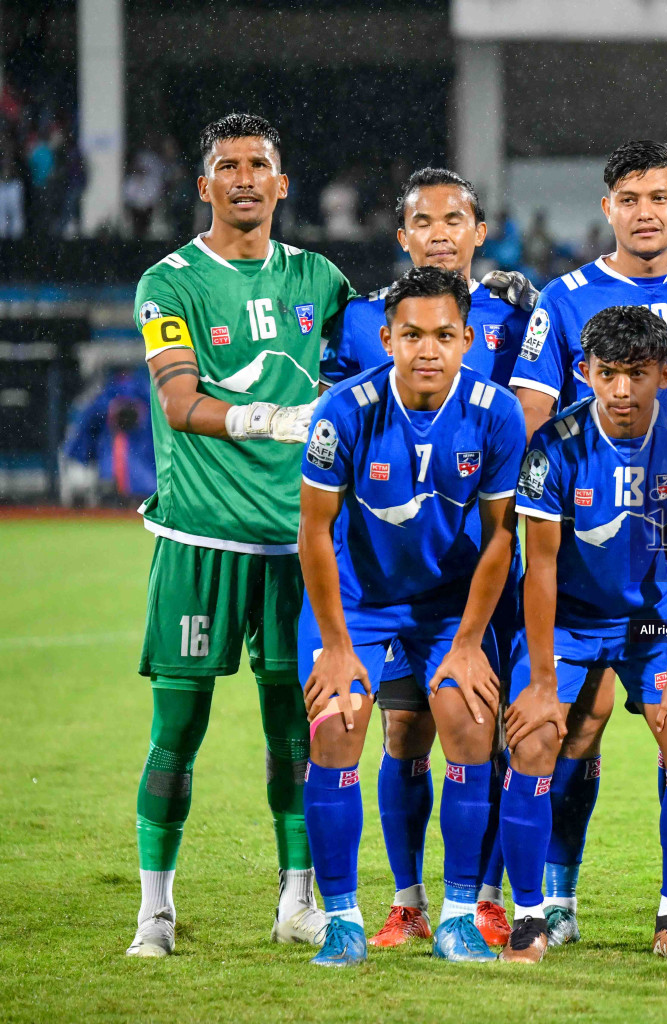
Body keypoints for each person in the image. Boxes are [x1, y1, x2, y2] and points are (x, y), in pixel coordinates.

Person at [127, 113, 356, 958]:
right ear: (205, 185)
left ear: (283, 183)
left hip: (297, 548)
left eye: (261, 163)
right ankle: (155, 910)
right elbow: (179, 403)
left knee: (294, 735)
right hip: (199, 543)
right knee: (177, 731)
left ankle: (297, 901)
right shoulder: (171, 281)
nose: (247, 179)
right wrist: (272, 414)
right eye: (229, 166)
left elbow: (389, 356)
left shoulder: (322, 279)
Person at [506, 140, 667, 947]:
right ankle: (552, 903)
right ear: (608, 209)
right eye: (629, 198)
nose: (645, 211)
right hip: (578, 556)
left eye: (660, 197)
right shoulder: (564, 297)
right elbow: (532, 422)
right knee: (570, 730)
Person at [320, 166, 538, 950]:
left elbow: (533, 419)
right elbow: (340, 432)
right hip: (384, 562)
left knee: (484, 724)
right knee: (402, 732)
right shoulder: (359, 325)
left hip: (481, 562)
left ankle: (480, 899)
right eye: (425, 220)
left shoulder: (517, 315)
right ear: (403, 236)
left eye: (457, 219)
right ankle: (409, 901)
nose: (441, 231)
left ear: (481, 232)